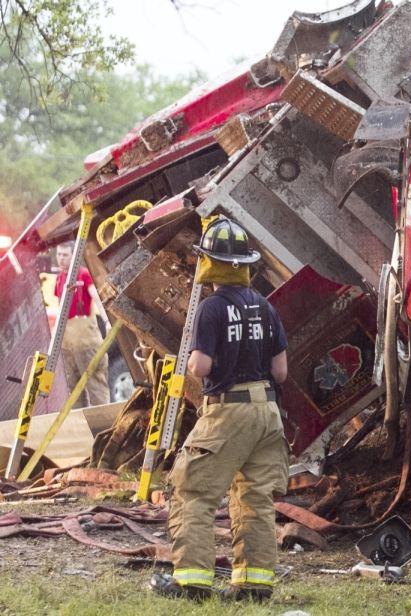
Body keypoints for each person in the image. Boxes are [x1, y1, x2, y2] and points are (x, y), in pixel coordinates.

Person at [150, 218, 290, 601]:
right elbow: (281, 371)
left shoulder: (211, 308)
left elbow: (199, 367)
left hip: (231, 410)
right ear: (245, 264)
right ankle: (254, 585)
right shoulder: (265, 306)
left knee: (192, 489)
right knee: (255, 498)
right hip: (268, 412)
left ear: (208, 263)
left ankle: (192, 582)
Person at [54, 242, 111, 407]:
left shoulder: (84, 275)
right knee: (74, 388)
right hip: (67, 343)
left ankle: (103, 425)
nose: (61, 259)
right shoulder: (59, 279)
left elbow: (98, 299)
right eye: (59, 254)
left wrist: (107, 321)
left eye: (65, 255)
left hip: (86, 342)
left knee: (95, 386)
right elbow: (60, 309)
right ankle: (82, 426)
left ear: (73, 257)